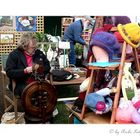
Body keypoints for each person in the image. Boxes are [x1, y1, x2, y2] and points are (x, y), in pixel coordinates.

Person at [5, 33, 51, 97]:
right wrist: (25, 71)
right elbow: (9, 72)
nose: (35, 50)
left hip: (38, 81)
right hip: (21, 83)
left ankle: (49, 106)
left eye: (35, 47)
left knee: (51, 90)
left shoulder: (38, 53)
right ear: (24, 46)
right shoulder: (14, 55)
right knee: (31, 93)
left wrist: (40, 69)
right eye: (32, 48)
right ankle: (35, 106)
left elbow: (48, 66)